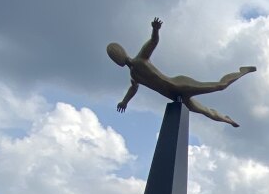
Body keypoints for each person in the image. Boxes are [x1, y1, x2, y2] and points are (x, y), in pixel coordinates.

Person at [108, 18, 256, 125]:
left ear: (122, 53)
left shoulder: (141, 59)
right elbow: (133, 89)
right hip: (174, 95)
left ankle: (243, 71)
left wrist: (155, 30)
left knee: (220, 86)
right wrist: (124, 102)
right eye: (115, 58)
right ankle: (226, 119)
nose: (118, 59)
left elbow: (153, 42)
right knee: (205, 112)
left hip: (179, 85)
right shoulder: (134, 75)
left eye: (117, 56)